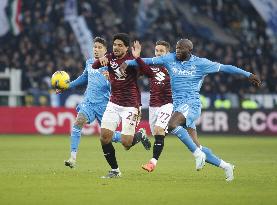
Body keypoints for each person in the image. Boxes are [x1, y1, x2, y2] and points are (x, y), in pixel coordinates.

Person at [120, 39, 261, 181]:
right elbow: (148, 61)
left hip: (191, 105)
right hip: (178, 106)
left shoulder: (201, 63)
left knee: (171, 125)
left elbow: (226, 67)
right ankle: (226, 166)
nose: (178, 51)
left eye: (181, 49)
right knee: (196, 145)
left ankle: (195, 155)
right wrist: (128, 62)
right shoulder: (170, 58)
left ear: (190, 51)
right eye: (177, 48)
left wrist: (248, 74)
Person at [61, 37, 148, 169]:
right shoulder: (90, 62)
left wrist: (109, 80)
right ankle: (72, 158)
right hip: (88, 103)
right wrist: (67, 85)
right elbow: (83, 78)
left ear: (105, 50)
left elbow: (117, 86)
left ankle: (138, 135)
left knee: (110, 138)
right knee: (78, 122)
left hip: (105, 105)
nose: (96, 50)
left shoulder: (111, 65)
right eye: (94, 47)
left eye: (99, 47)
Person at [91, 33, 151, 178]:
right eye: (114, 44)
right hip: (113, 103)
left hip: (131, 105)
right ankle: (115, 170)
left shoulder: (132, 60)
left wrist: (137, 57)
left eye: (120, 45)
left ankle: (139, 135)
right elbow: (94, 66)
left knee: (126, 143)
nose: (116, 47)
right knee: (104, 137)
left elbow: (149, 73)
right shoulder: (110, 57)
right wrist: (102, 58)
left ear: (126, 48)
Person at [113, 40, 173, 172]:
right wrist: (132, 61)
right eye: (157, 50)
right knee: (158, 133)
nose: (158, 53)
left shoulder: (173, 66)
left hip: (168, 104)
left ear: (168, 53)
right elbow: (137, 70)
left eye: (161, 51)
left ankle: (152, 163)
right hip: (153, 106)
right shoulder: (151, 65)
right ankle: (141, 135)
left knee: (158, 130)